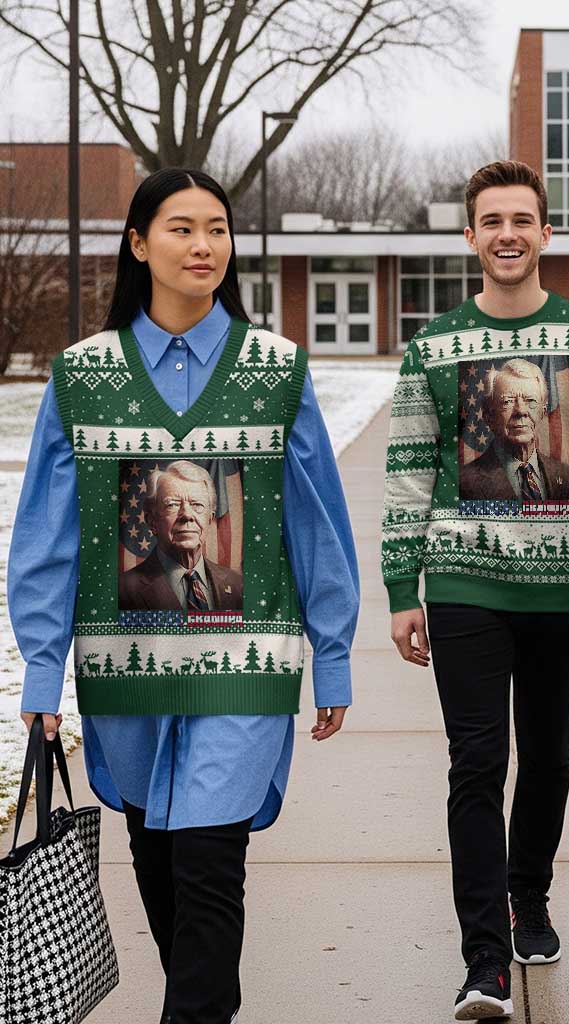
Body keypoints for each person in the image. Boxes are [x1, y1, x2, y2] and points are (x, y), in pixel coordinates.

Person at [12, 168, 359, 1024]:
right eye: (180, 229)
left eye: (216, 229)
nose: (203, 245)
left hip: (243, 668)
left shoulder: (276, 371)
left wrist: (335, 654)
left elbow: (315, 524)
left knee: (210, 865)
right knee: (160, 863)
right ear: (138, 244)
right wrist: (40, 675)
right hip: (124, 673)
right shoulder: (82, 376)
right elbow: (47, 539)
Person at [381, 160, 569, 1021]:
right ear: (470, 236)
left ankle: (527, 895)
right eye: (491, 220)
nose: (507, 234)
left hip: (561, 589)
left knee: (549, 753)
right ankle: (484, 961)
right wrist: (401, 586)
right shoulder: (433, 348)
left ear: (546, 233)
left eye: (522, 220)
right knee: (477, 760)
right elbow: (406, 474)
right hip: (463, 580)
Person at [119, 461, 244, 611]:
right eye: (172, 504)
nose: (187, 515)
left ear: (209, 520)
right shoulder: (122, 591)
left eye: (197, 505)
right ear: (152, 521)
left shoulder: (237, 585)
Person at [459, 357, 569, 501]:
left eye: (530, 400)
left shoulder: (567, 477)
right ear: (489, 416)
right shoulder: (464, 484)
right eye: (508, 401)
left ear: (542, 413)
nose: (521, 411)